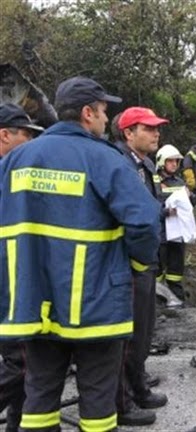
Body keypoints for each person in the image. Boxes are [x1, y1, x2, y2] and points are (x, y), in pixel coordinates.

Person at [0, 77, 161, 432]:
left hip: (32, 305)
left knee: (38, 399)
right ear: (88, 113)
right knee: (98, 403)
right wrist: (137, 263)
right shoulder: (102, 158)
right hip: (95, 305)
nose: (107, 122)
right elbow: (145, 220)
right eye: (104, 113)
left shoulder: (17, 159)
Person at [115, 106, 170, 426]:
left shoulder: (144, 164)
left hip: (145, 259)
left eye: (156, 128)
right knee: (128, 332)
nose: (156, 133)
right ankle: (123, 398)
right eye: (148, 128)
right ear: (128, 133)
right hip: (130, 261)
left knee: (144, 329)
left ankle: (137, 385)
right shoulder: (121, 164)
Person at [0, 103, 43, 432]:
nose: (31, 143)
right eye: (26, 135)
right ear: (5, 135)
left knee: (24, 368)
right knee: (21, 364)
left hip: (14, 284)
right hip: (8, 290)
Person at [155, 144, 192, 302]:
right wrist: (165, 212)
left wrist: (191, 197)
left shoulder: (179, 182)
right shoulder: (153, 180)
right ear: (162, 162)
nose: (174, 164)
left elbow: (191, 204)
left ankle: (177, 299)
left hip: (177, 234)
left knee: (176, 270)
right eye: (170, 161)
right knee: (156, 270)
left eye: (176, 162)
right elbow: (148, 205)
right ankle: (156, 301)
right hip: (159, 233)